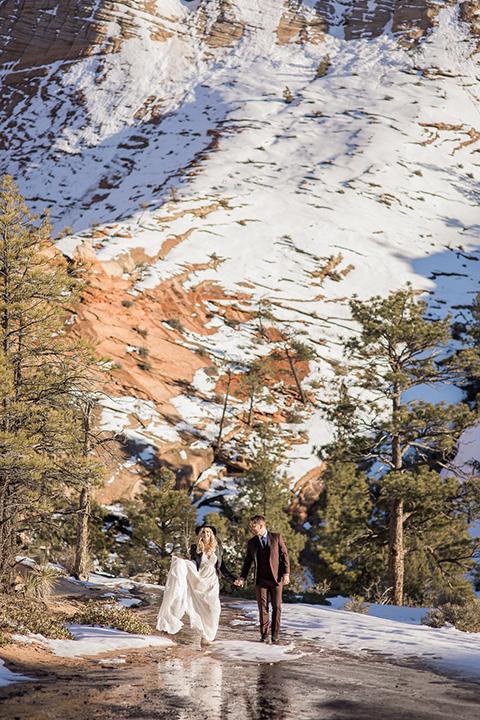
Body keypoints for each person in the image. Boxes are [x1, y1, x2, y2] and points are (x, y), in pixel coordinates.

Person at [156, 523, 234, 644]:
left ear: (212, 534)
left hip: (212, 582)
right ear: (200, 535)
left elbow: (223, 567)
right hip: (199, 580)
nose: (206, 534)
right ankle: (204, 635)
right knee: (199, 608)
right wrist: (182, 564)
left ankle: (209, 635)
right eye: (203, 532)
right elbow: (193, 563)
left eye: (208, 532)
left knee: (214, 609)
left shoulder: (218, 549)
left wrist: (234, 579)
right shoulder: (195, 548)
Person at [234, 515, 290, 643]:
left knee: (276, 606)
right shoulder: (251, 542)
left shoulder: (276, 537)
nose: (251, 529)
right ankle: (264, 635)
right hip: (260, 580)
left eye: (253, 526)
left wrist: (286, 574)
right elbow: (248, 562)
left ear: (261, 526)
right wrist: (243, 577)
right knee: (262, 608)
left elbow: (284, 556)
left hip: (276, 579)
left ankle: (275, 633)